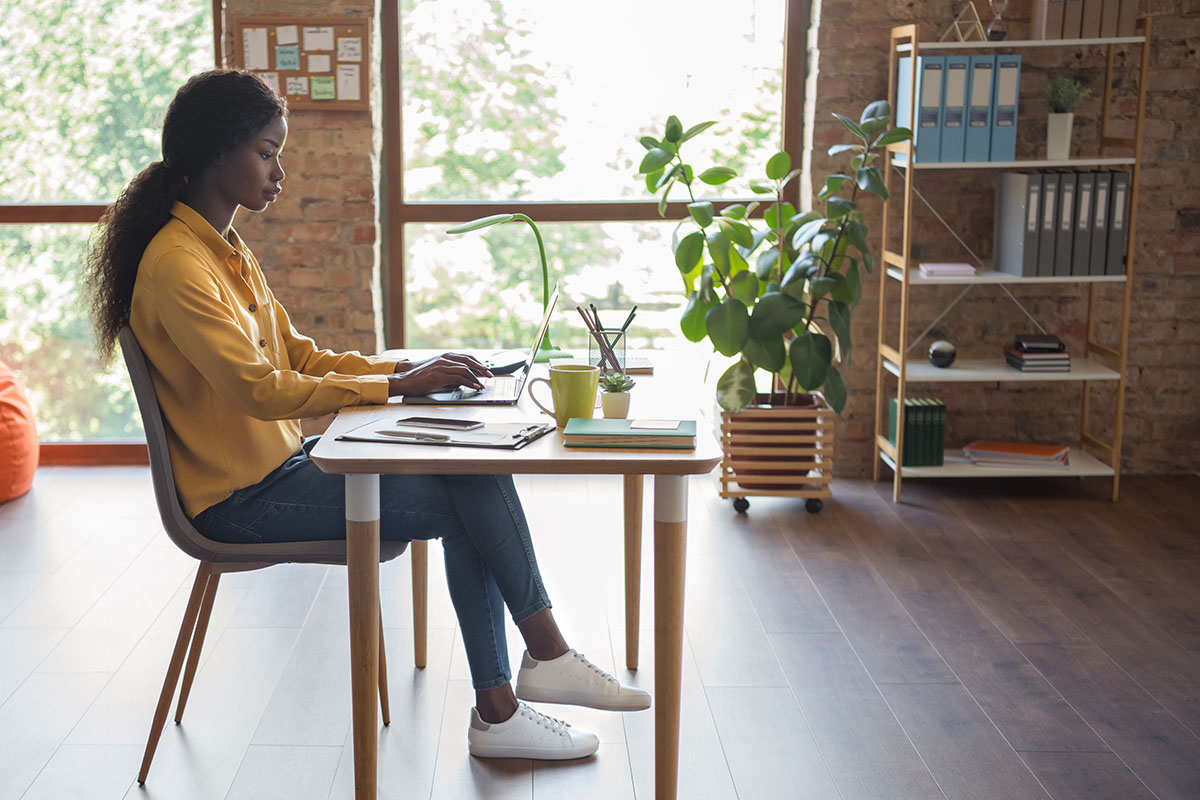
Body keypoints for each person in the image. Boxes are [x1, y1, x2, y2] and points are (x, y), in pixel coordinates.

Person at [82, 69, 649, 761]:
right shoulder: (178, 266)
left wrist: (402, 376)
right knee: (474, 491)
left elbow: (301, 355)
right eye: (267, 152)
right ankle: (522, 684)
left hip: (281, 471)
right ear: (217, 152)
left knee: (474, 474)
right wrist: (396, 390)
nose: (280, 171)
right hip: (238, 503)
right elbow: (261, 389)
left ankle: (514, 694)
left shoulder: (222, 248)